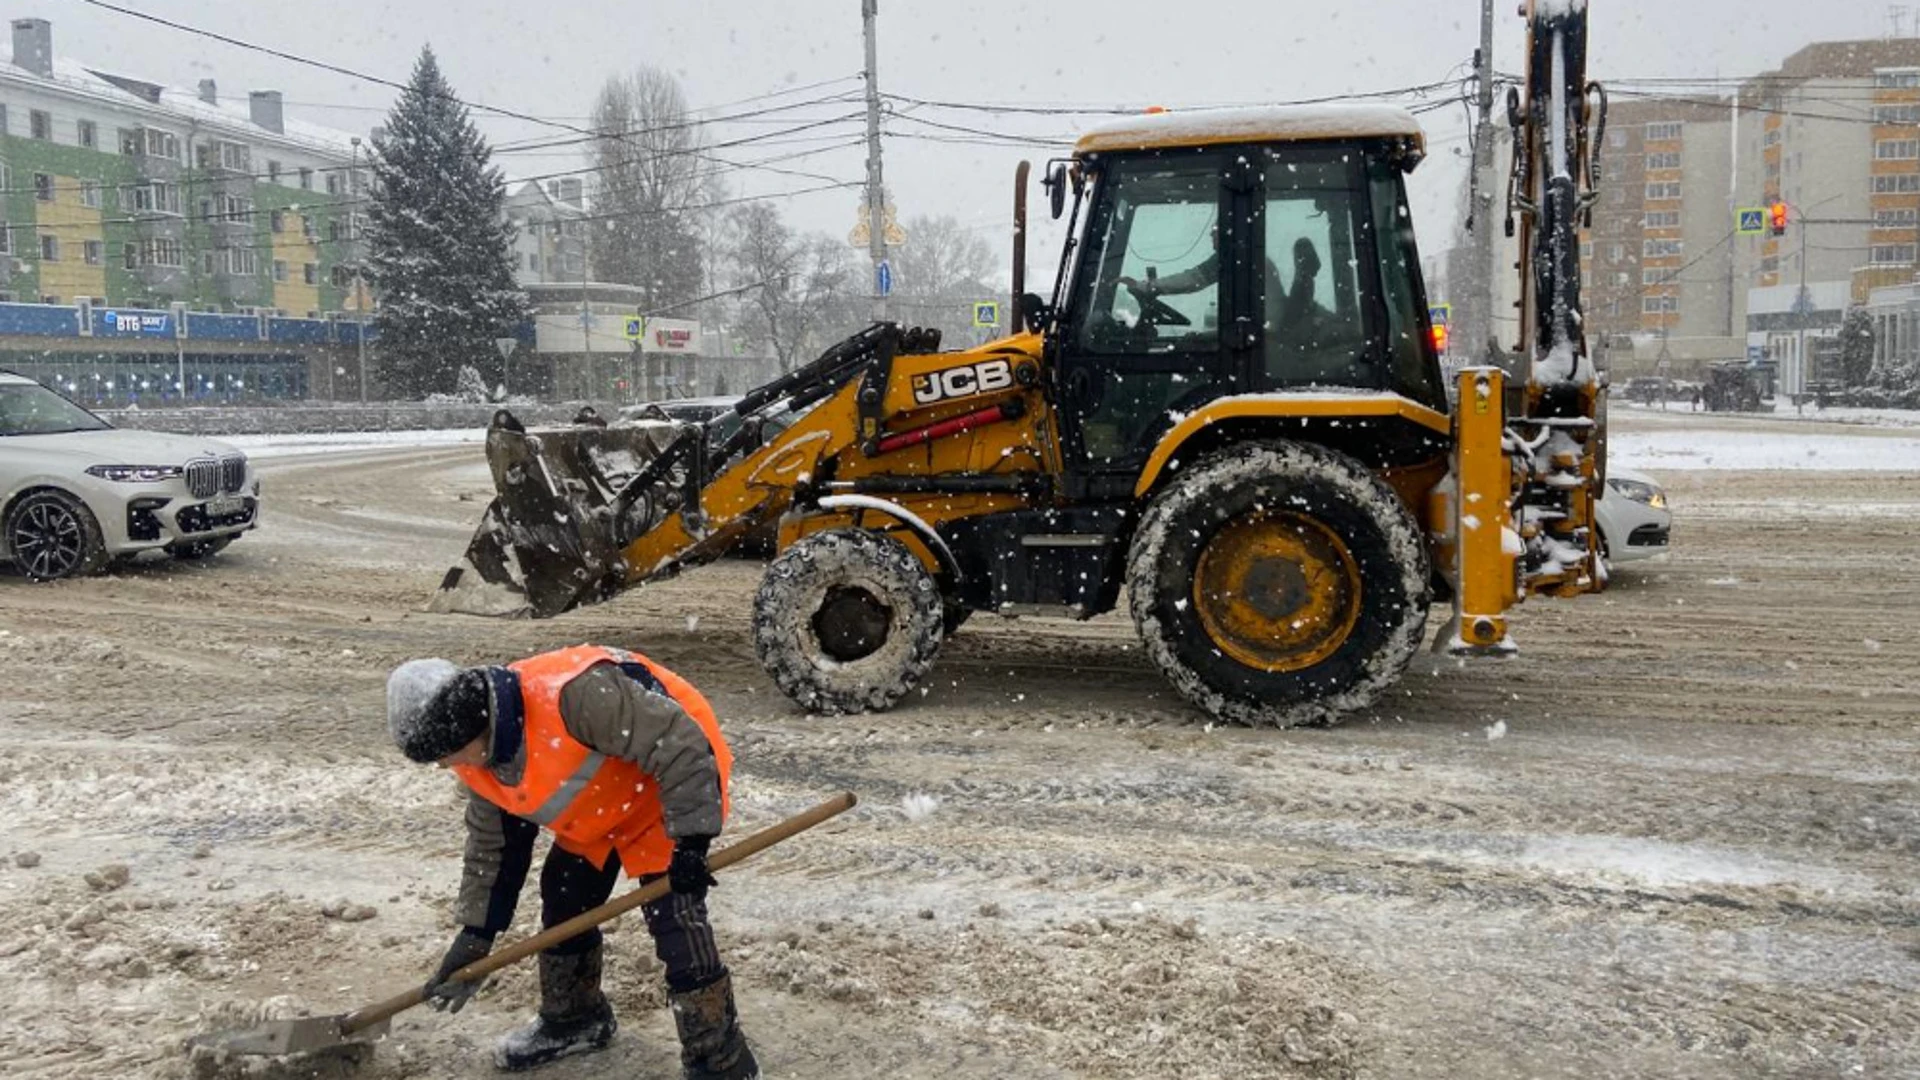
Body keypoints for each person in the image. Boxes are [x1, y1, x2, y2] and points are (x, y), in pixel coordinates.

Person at [387, 645, 757, 1079]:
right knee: (565, 891)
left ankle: (720, 1059)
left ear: (472, 725)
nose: (444, 765)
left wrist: (692, 843)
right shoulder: (476, 757)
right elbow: (495, 848)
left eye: (445, 754)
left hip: (669, 783)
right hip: (601, 800)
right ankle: (575, 1019)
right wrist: (476, 935)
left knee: (676, 917)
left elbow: (679, 747)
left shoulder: (575, 695)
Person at [1118, 235, 1326, 337]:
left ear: (1227, 231)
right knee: (1196, 341)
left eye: (1214, 232)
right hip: (1262, 330)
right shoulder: (1249, 257)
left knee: (1190, 346)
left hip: (1262, 334)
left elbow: (1192, 280)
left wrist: (1144, 286)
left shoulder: (1235, 255)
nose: (1211, 237)